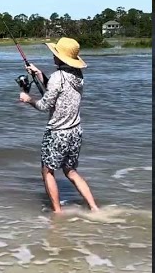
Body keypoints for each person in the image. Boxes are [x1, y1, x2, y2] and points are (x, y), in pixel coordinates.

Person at [17, 36, 100, 214]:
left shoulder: (57, 77)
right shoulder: (79, 76)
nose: (53, 56)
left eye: (55, 53)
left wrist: (28, 99)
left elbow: (44, 105)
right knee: (70, 171)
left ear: (60, 57)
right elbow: (59, 92)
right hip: (75, 131)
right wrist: (39, 75)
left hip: (57, 133)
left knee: (47, 171)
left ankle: (57, 212)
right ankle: (94, 207)